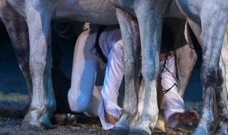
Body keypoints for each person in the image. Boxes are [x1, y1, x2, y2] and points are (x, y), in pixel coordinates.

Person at [67, 24, 198, 129]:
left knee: (101, 110)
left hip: (115, 63)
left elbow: (170, 88)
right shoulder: (124, 47)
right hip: (92, 48)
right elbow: (111, 85)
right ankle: (63, 88)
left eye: (165, 53)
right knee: (79, 104)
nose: (162, 58)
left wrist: (179, 116)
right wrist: (115, 126)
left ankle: (91, 91)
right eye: (161, 53)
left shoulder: (164, 57)